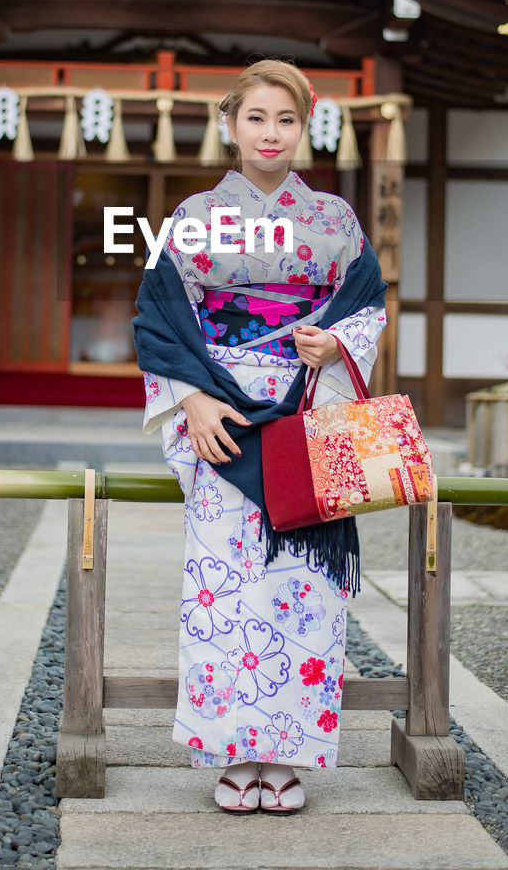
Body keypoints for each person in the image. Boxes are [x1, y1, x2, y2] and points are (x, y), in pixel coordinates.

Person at [133, 60, 387, 814]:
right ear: (229, 125)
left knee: (302, 589)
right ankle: (230, 751)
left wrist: (335, 346)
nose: (270, 134)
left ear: (306, 129)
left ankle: (288, 755)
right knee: (224, 588)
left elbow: (366, 308)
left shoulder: (336, 220)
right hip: (223, 416)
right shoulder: (190, 218)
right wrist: (192, 401)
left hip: (306, 409)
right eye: (256, 118)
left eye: (286, 120)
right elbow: (158, 317)